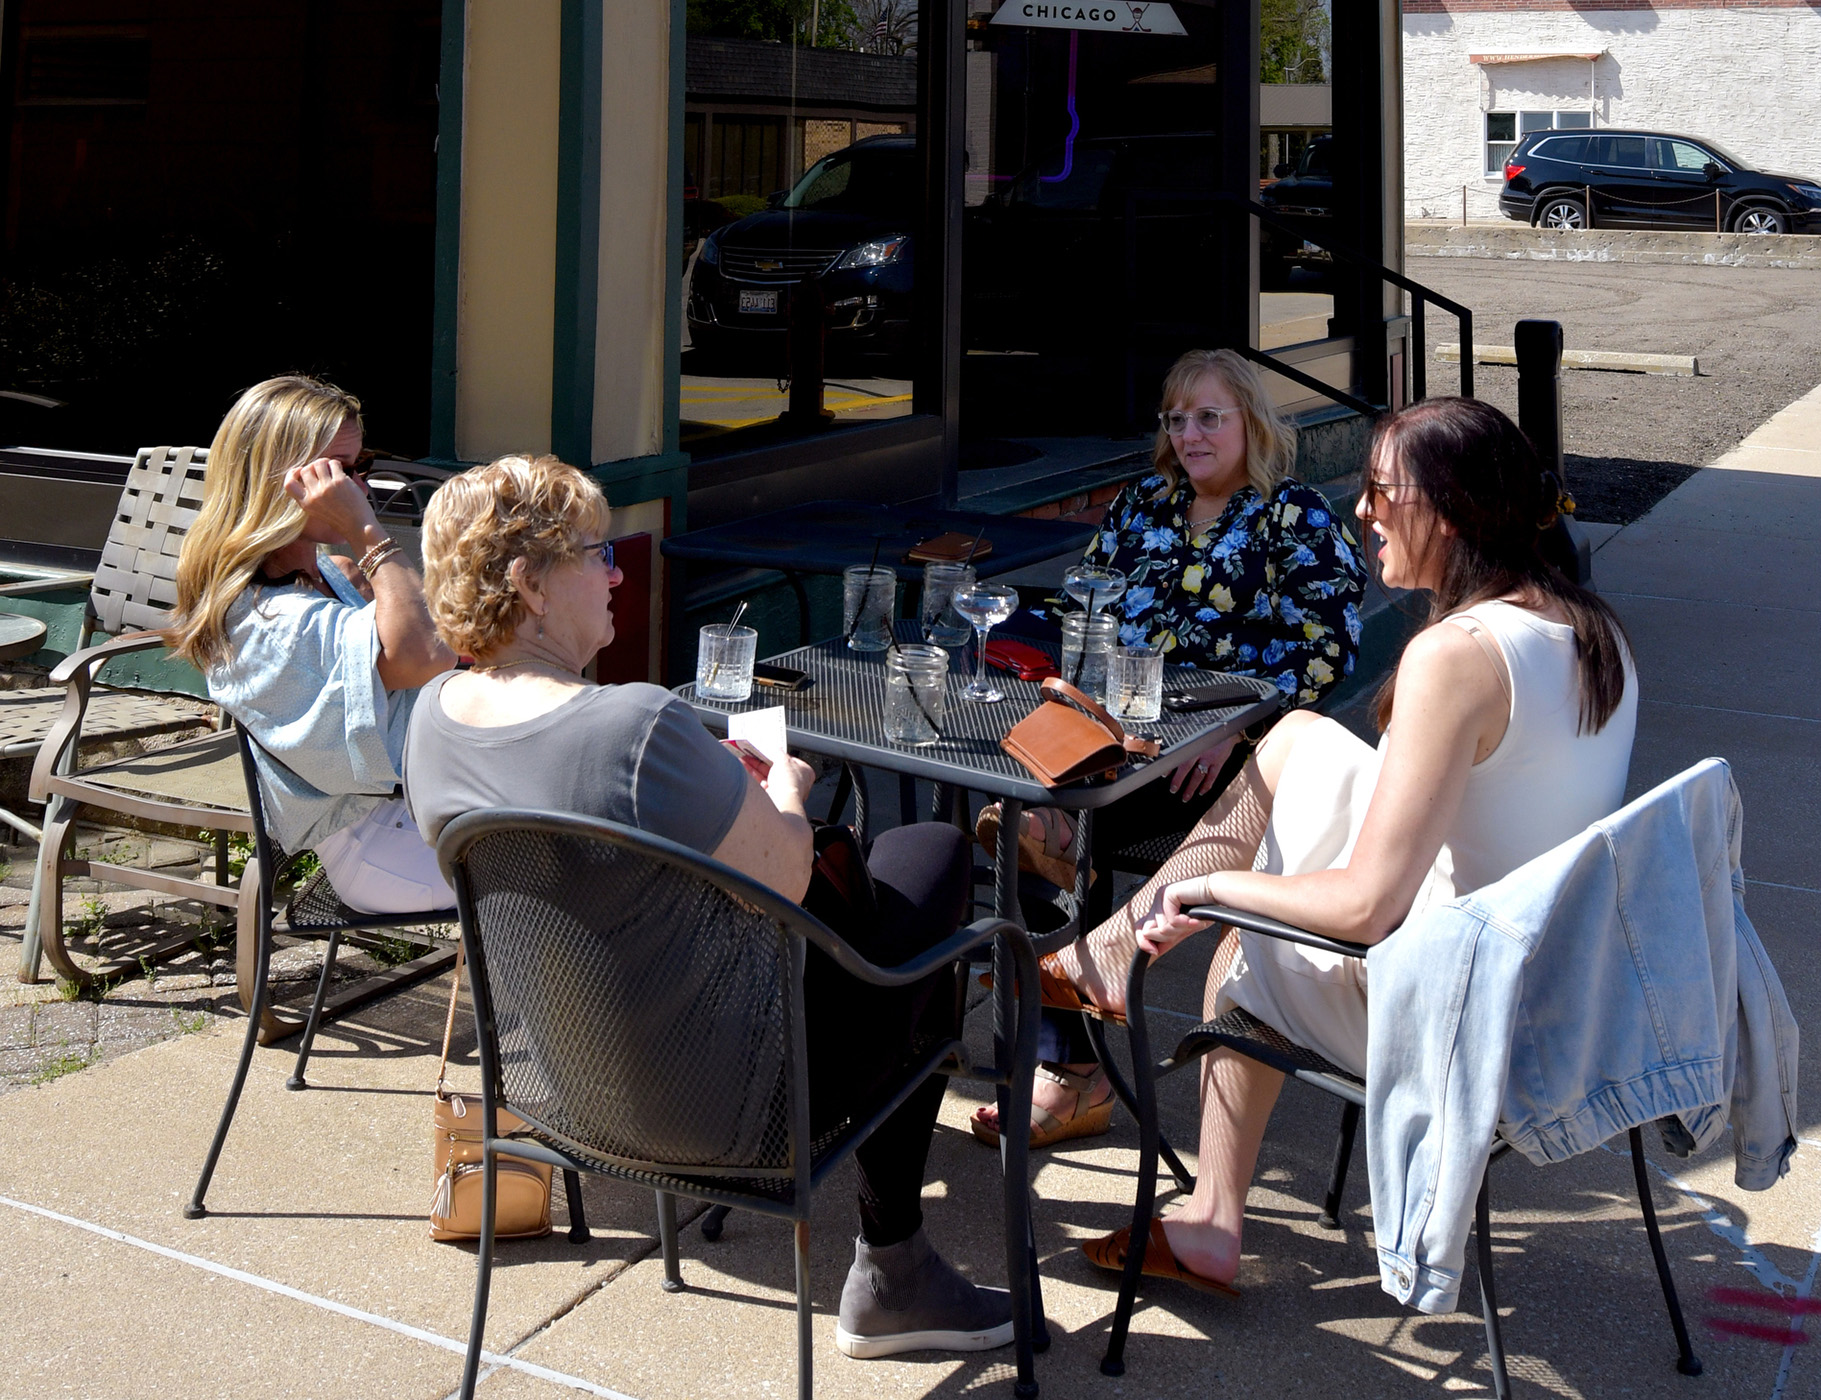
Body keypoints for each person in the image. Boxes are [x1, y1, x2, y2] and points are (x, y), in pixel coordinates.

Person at [402, 454, 1013, 1363]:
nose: (616, 573)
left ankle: (898, 1269)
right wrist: (792, 789)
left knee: (885, 888)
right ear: (529, 585)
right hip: (735, 1105)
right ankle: (894, 1267)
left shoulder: (432, 719)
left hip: (566, 1091)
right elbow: (792, 877)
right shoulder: (634, 725)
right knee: (929, 860)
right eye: (596, 554)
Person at [1043, 394, 1638, 1296]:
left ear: (1449, 507)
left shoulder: (1459, 657)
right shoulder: (1592, 632)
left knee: (1245, 938)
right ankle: (1112, 948)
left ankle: (1209, 1223)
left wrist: (1216, 895)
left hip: (1457, 1006)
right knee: (1292, 741)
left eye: (1379, 490)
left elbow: (1366, 907)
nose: (1363, 511)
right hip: (1559, 983)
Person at [973, 347, 1366, 1149]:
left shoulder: (1296, 518)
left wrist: (1220, 726)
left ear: (1251, 421)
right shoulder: (1140, 506)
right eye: (1177, 418)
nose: (1190, 434)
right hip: (1120, 732)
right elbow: (1087, 610)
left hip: (1227, 758)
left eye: (1209, 417)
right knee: (1012, 811)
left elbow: (1326, 651)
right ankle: (1071, 1062)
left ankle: (1068, 1063)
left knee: (1051, 828)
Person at [166, 375, 456, 911]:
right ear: (274, 480)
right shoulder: (267, 616)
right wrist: (366, 530)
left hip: (419, 809)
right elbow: (429, 655)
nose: (358, 489)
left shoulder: (320, 573)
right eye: (336, 475)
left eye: (359, 468)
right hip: (377, 842)